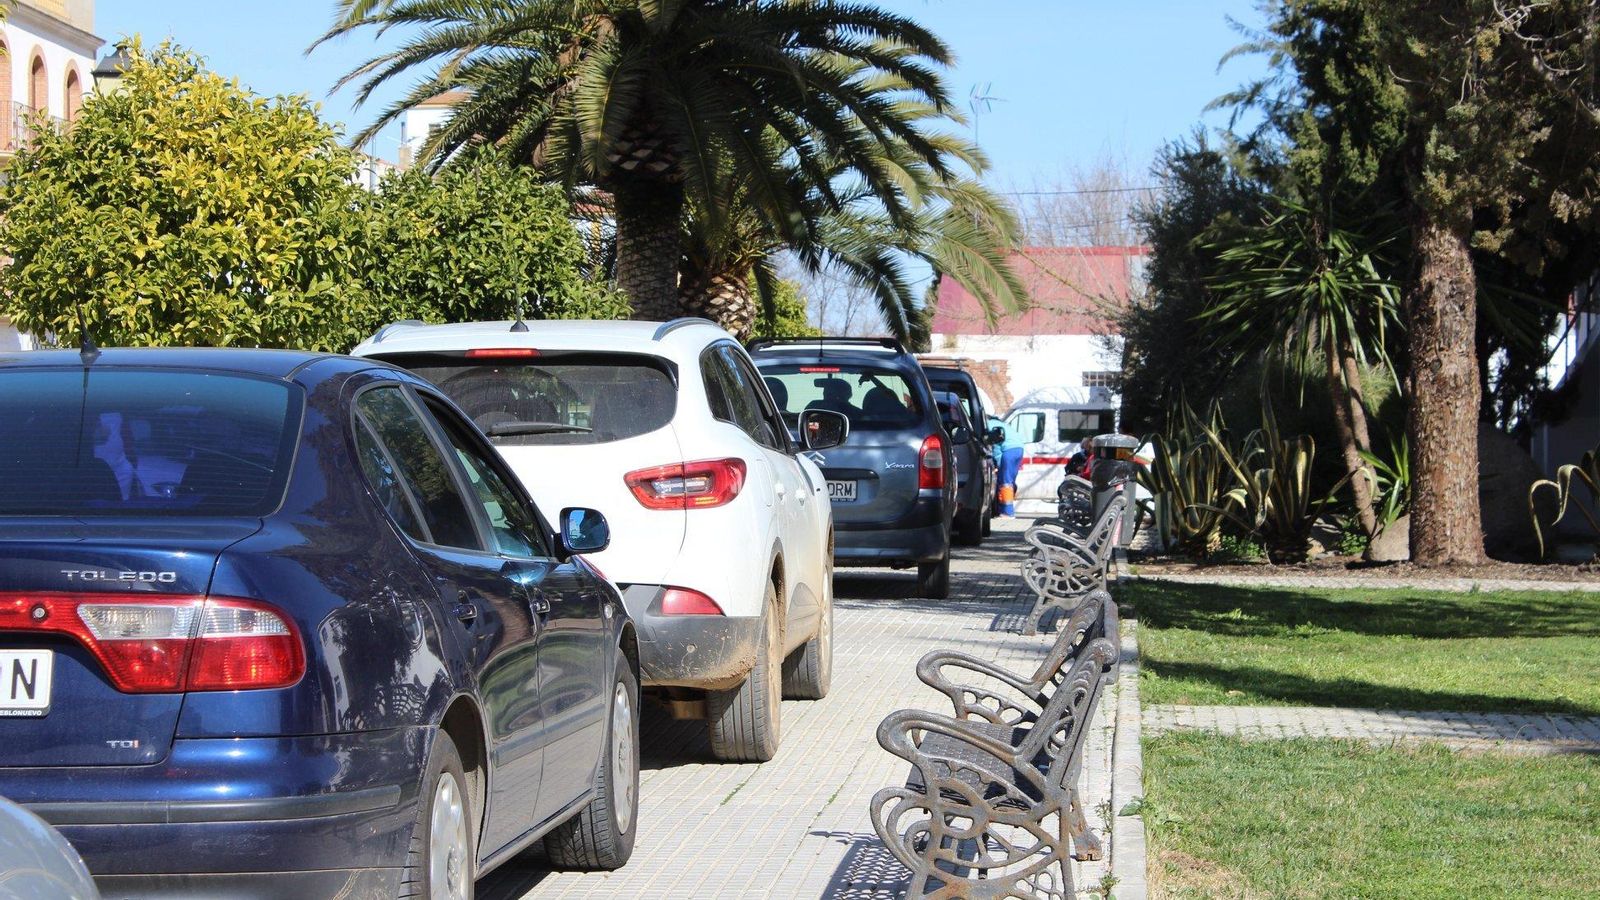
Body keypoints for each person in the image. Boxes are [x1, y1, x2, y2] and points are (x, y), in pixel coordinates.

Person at [995, 417, 1025, 517]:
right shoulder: (1004, 425)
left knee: (1005, 482)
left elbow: (995, 447)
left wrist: (998, 464)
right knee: (1010, 481)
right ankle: (1007, 509)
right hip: (1019, 449)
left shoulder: (989, 425)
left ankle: (1007, 512)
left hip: (1008, 451)